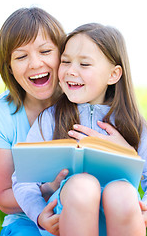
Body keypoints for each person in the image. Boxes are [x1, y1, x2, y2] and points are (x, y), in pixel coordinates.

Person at [12, 23, 147, 236]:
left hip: (121, 215)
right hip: (69, 218)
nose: (71, 71)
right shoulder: (49, 119)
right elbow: (24, 178)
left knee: (121, 192)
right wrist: (39, 214)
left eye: (84, 64)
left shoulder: (134, 123)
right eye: (65, 62)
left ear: (113, 75)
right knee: (82, 186)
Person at [0, 7, 69, 236]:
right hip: (26, 222)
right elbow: (5, 198)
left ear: (63, 54)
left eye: (45, 51)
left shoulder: (84, 102)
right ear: (9, 67)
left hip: (85, 212)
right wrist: (48, 189)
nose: (35, 64)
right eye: (21, 56)